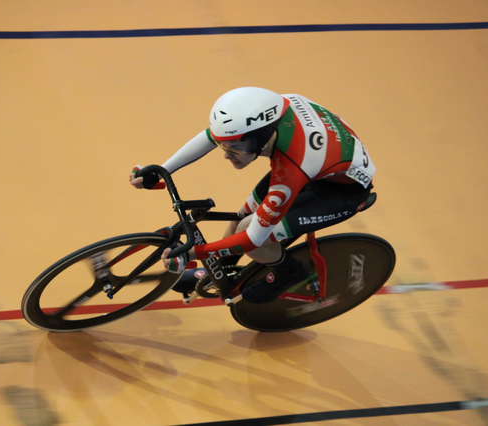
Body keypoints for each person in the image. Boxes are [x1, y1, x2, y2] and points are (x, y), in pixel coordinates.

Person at [129, 87, 375, 304]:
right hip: (317, 168)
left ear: (263, 135)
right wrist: (162, 170)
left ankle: (289, 272)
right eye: (225, 145)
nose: (227, 155)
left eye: (237, 147)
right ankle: (222, 271)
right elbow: (210, 136)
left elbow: (252, 240)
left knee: (252, 232)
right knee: (239, 218)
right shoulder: (271, 113)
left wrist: (193, 253)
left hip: (342, 192)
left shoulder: (292, 167)